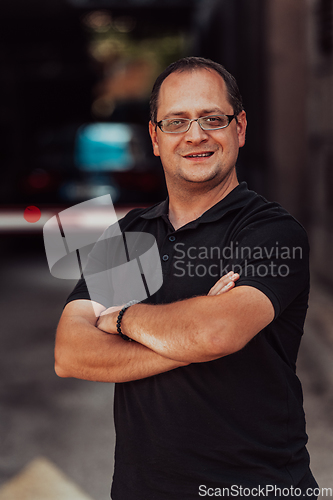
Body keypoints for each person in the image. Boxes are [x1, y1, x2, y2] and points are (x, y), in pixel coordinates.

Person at [55, 57, 318, 499]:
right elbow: (70, 353)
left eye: (212, 118)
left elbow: (215, 333)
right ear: (155, 138)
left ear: (240, 128)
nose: (195, 135)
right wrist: (190, 340)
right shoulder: (128, 236)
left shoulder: (272, 231)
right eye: (177, 122)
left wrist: (120, 320)